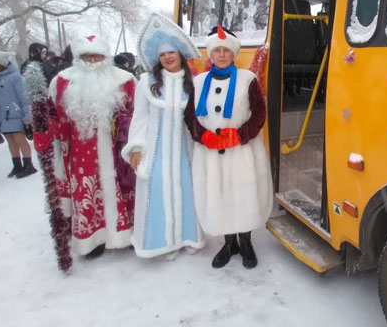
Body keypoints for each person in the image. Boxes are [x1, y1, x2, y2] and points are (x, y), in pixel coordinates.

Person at [34, 35, 136, 259]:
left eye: (97, 56)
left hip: (118, 146)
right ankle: (93, 240)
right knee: (87, 192)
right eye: (86, 56)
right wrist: (44, 131)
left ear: (106, 57)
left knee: (125, 187)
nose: (92, 61)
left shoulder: (124, 79)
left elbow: (136, 113)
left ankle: (127, 232)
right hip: (80, 151)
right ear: (78, 58)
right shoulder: (62, 81)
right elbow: (53, 114)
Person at [184, 26, 273, 269]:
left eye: (226, 51)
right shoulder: (199, 82)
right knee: (220, 196)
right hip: (211, 155)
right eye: (217, 51)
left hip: (241, 152)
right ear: (210, 55)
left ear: (233, 54)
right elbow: (190, 116)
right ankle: (228, 243)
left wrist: (239, 135)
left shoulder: (248, 80)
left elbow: (259, 114)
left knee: (242, 196)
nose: (222, 55)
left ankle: (246, 243)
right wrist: (204, 137)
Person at [123, 14, 205, 260]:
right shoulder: (147, 82)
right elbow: (140, 117)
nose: (168, 57)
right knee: (159, 193)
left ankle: (189, 237)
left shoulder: (194, 83)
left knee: (187, 191)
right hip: (156, 151)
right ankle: (165, 243)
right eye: (162, 55)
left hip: (185, 150)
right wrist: (136, 147)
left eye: (171, 52)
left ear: (180, 53)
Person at [0, 51, 36, 179]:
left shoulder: (16, 77)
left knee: (19, 138)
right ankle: (17, 164)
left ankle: (28, 164)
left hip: (14, 114)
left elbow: (24, 97)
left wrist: (27, 114)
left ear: (2, 63)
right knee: (10, 139)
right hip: (1, 116)